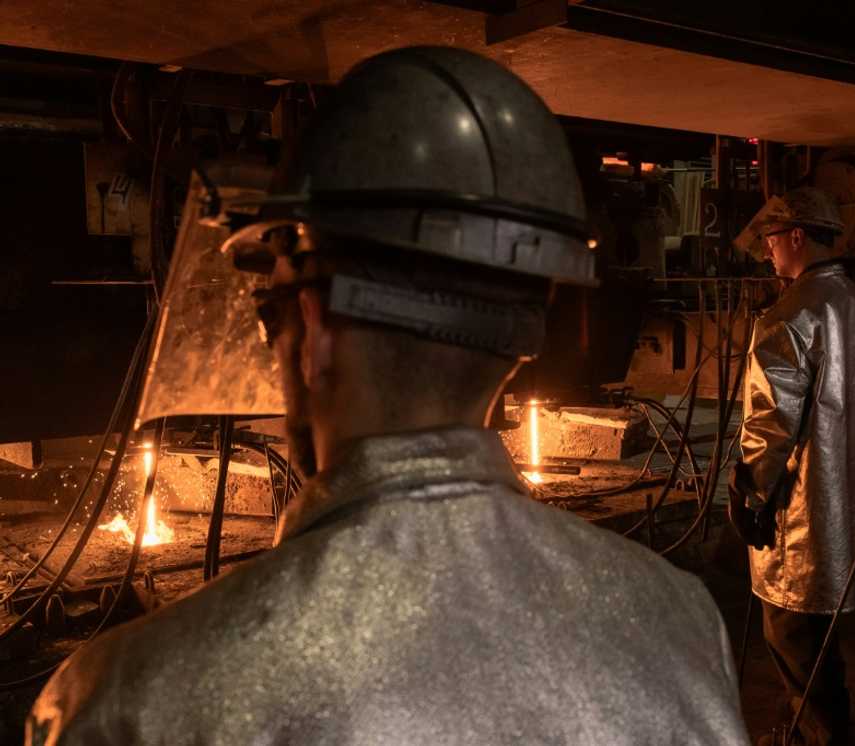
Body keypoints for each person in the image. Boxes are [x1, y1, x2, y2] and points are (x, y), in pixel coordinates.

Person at [27, 47, 749, 745]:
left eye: (268, 314)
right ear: (516, 336)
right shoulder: (677, 618)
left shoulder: (126, 700)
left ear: (312, 330)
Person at [728, 187, 855, 746]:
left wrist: (749, 494)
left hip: (796, 511)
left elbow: (771, 424)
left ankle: (818, 738)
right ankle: (814, 728)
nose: (767, 252)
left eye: (771, 240)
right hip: (839, 500)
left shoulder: (789, 316)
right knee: (821, 636)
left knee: (790, 631)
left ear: (797, 236)